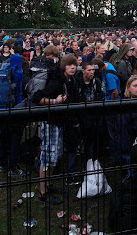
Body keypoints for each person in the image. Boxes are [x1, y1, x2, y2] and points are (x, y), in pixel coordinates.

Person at [32, 54, 78, 205]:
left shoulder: (69, 80)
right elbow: (36, 98)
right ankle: (42, 192)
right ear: (64, 66)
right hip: (50, 123)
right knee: (47, 158)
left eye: (75, 65)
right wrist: (54, 101)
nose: (73, 67)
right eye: (70, 65)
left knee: (54, 157)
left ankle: (49, 185)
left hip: (59, 123)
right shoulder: (57, 82)